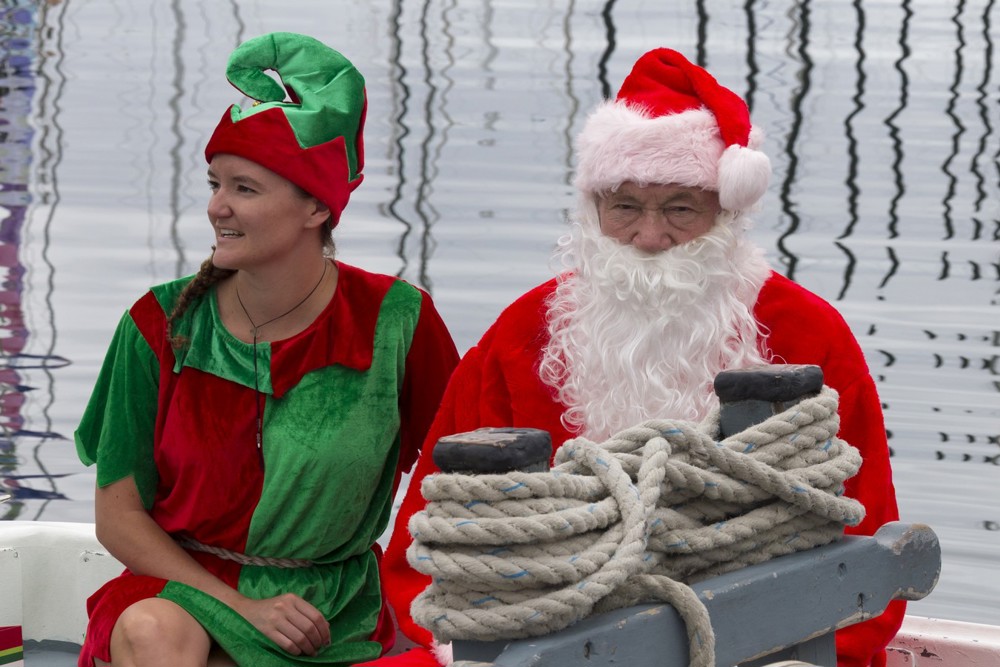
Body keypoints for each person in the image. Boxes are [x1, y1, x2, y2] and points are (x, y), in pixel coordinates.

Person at [381, 48, 905, 667]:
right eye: (625, 206)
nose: (650, 237)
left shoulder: (805, 333)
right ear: (593, 208)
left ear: (726, 213)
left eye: (680, 207)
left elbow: (863, 549)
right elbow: (435, 541)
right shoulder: (525, 334)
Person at [74, 32, 459, 667]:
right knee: (152, 632)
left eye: (244, 189)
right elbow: (119, 517)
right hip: (183, 588)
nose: (215, 206)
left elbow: (455, 470)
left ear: (315, 207)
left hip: (334, 609)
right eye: (215, 182)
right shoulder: (157, 323)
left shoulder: (397, 322)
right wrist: (240, 606)